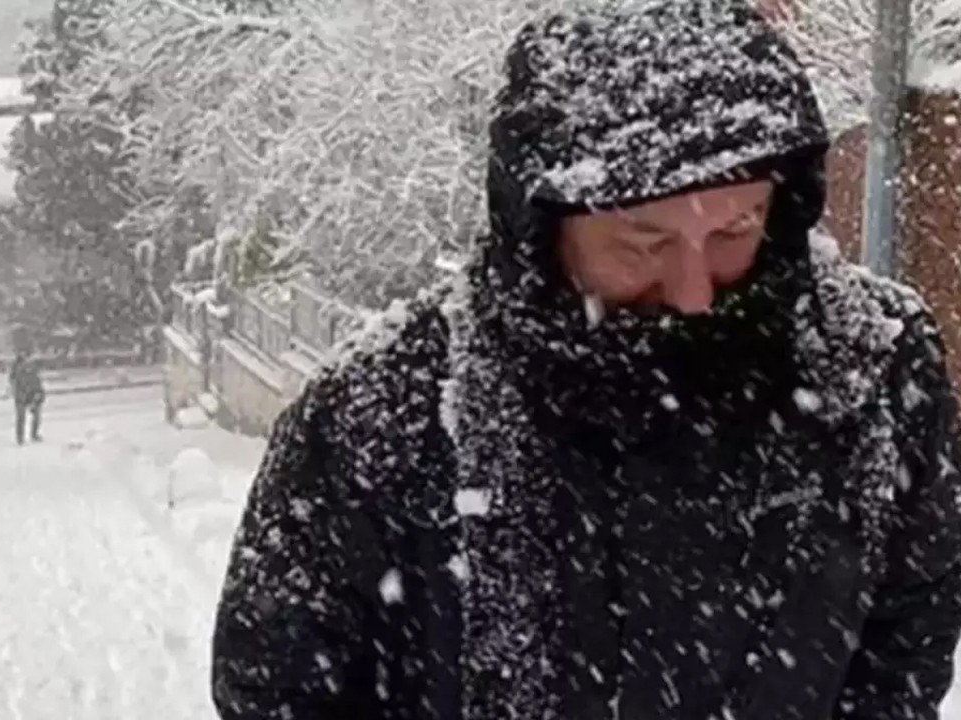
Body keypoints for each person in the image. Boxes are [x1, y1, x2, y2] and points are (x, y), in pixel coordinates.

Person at [211, 4, 961, 720]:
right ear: (538, 229)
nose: (695, 293)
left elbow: (903, 649)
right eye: (643, 243)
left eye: (736, 230)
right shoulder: (378, 418)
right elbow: (279, 690)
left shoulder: (877, 372)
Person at [9, 347, 45, 445]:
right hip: (21, 394)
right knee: (21, 417)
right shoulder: (16, 366)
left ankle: (33, 434)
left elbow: (37, 379)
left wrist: (39, 392)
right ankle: (20, 438)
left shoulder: (33, 366)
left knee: (36, 415)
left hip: (31, 392)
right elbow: (13, 380)